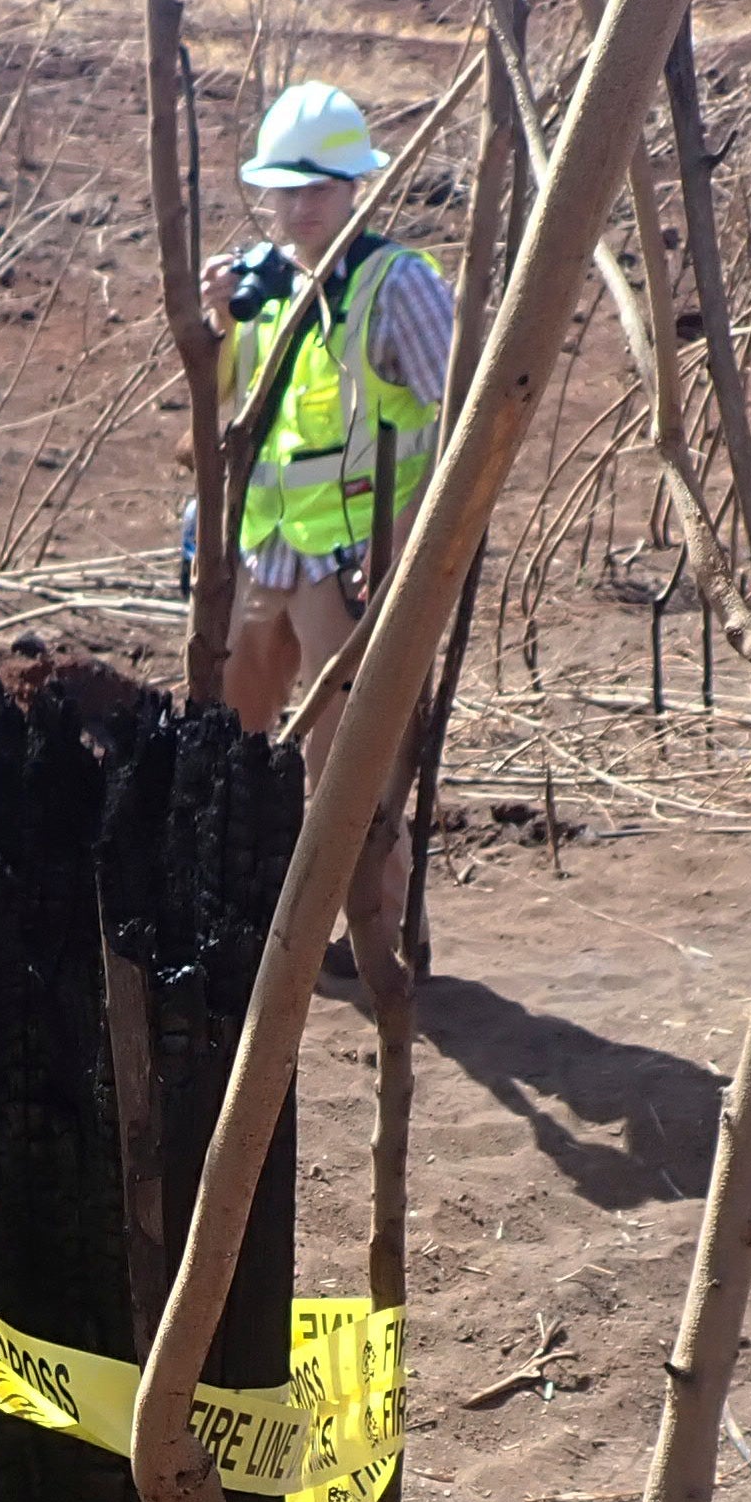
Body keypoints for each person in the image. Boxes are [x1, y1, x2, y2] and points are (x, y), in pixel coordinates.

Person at [210, 81, 453, 960]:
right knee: (227, 742)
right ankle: (241, 920)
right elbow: (235, 418)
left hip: (351, 563)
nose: (298, 207)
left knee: (350, 763)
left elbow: (460, 423)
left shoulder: (402, 287)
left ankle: (377, 940)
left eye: (317, 189)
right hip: (260, 558)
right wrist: (213, 324)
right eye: (285, 190)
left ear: (357, 187)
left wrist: (411, 556)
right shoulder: (262, 286)